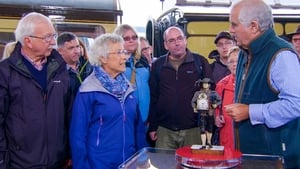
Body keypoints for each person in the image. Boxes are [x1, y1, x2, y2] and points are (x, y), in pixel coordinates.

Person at [226, 0, 300, 168]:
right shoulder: (246, 52)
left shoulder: (281, 55)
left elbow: (296, 104)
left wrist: (250, 111)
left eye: (234, 24)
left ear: (253, 26)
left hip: (275, 160)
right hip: (252, 158)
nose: (230, 30)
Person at [0, 12, 72, 168]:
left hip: (57, 162)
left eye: (54, 36)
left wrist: (68, 152)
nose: (53, 42)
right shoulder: (5, 72)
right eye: (47, 37)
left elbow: (69, 114)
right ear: (28, 41)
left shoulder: (60, 69)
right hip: (20, 163)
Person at [69, 33, 148, 169]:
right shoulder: (88, 90)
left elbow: (138, 129)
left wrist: (143, 158)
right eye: (119, 52)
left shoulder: (128, 88)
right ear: (103, 58)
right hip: (99, 164)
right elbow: (78, 136)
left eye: (124, 52)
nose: (125, 57)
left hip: (129, 163)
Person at [148, 26, 213, 149]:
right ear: (165, 45)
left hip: (193, 130)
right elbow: (154, 97)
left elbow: (210, 95)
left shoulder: (200, 62)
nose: (176, 43)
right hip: (164, 130)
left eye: (179, 39)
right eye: (171, 40)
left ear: (185, 40)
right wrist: (153, 126)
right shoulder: (158, 65)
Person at [114, 24, 150, 124]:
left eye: (134, 37)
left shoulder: (143, 60)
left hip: (144, 120)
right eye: (126, 38)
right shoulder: (114, 62)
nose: (131, 40)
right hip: (123, 119)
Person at [214, 46, 239, 150]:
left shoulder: (253, 83)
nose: (234, 64)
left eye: (237, 61)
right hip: (226, 138)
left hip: (248, 138)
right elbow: (216, 107)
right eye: (231, 62)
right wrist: (216, 117)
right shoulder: (221, 85)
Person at [191, 78, 221, 147]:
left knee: (210, 129)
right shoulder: (198, 93)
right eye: (204, 83)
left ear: (209, 85)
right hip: (202, 113)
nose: (205, 85)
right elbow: (193, 101)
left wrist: (216, 104)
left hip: (210, 113)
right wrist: (194, 107)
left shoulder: (213, 93)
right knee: (202, 129)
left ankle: (209, 142)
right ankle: (203, 144)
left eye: (207, 83)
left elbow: (220, 100)